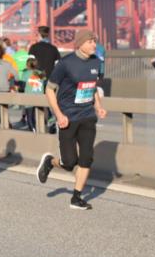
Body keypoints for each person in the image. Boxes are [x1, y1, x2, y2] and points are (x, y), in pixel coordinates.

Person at [36, 29, 107, 210]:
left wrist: (98, 106)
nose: (94, 44)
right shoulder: (65, 63)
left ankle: (76, 197)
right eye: (90, 41)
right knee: (69, 163)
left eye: (95, 41)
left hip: (87, 116)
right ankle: (50, 162)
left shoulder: (96, 62)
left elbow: (92, 87)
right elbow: (49, 89)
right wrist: (59, 115)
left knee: (86, 159)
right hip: (68, 117)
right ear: (80, 44)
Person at [28, 26, 61, 132]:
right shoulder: (53, 49)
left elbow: (29, 64)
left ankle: (36, 126)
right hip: (51, 78)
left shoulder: (33, 48)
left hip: (37, 77)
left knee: (35, 102)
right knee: (50, 102)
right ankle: (51, 123)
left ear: (39, 35)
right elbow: (58, 65)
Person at [19, 56, 46, 132]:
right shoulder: (41, 73)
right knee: (40, 116)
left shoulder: (25, 73)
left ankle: (33, 132)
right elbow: (44, 84)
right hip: (40, 97)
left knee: (30, 117)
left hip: (29, 97)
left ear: (27, 65)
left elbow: (22, 86)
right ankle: (41, 131)